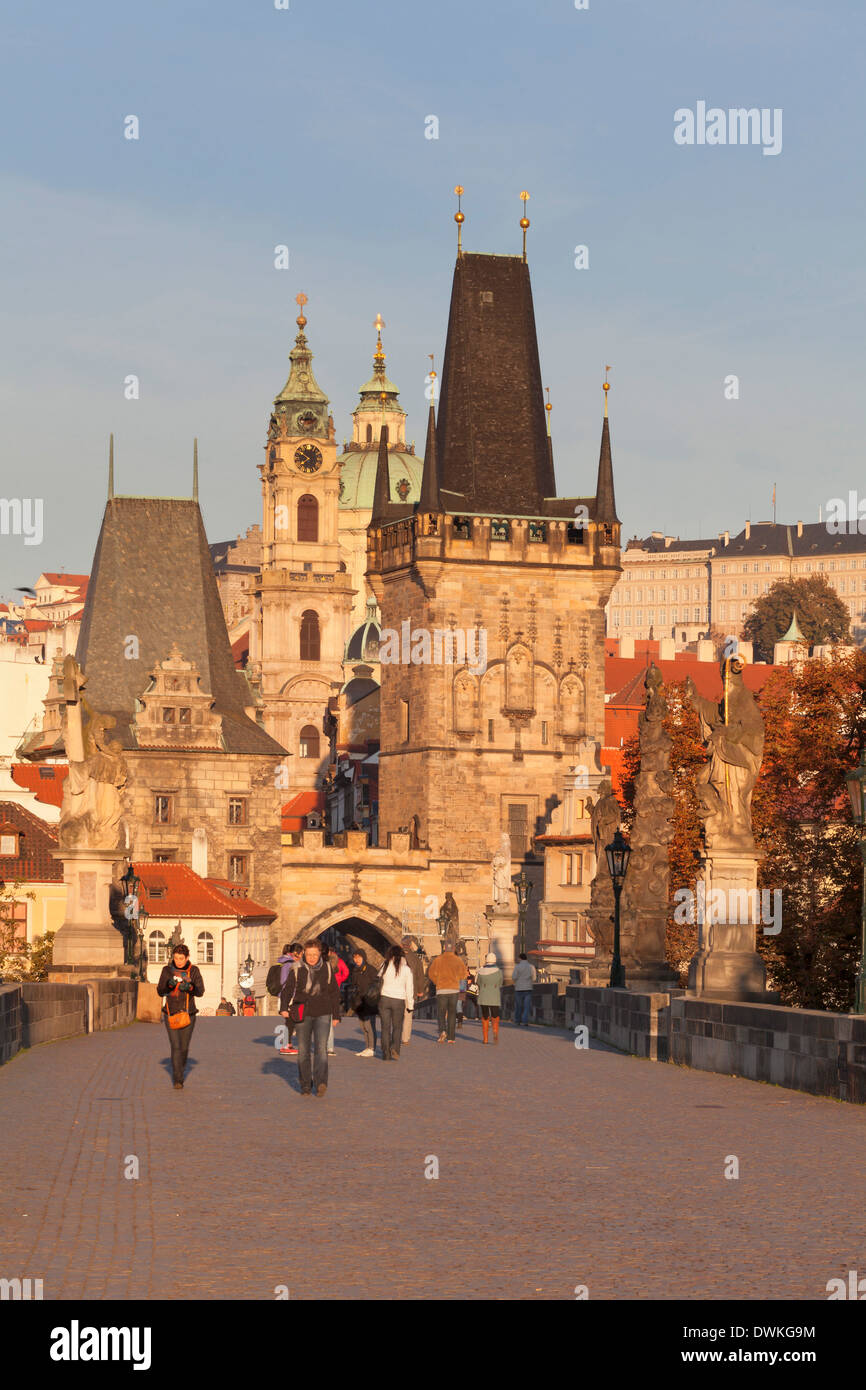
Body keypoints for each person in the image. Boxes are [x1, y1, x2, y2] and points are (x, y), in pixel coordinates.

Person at [279, 940, 341, 1097]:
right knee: (303, 1051)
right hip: (303, 1013)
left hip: (323, 1013)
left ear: (320, 953)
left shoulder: (327, 968)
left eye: (315, 954)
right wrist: (284, 1008)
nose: (312, 957)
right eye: (309, 954)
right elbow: (288, 989)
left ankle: (321, 1082)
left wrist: (336, 1015)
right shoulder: (297, 968)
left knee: (321, 1050)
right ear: (304, 954)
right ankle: (306, 1084)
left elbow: (334, 992)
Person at [156, 943, 205, 1089]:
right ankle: (178, 1079)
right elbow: (160, 991)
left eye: (181, 958)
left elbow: (200, 991)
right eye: (176, 958)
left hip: (188, 1014)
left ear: (187, 957)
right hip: (170, 1013)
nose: (178, 961)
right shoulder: (167, 970)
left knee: (184, 1047)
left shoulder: (194, 971)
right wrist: (169, 985)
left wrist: (190, 987)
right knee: (175, 1046)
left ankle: (180, 1068)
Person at [378, 944, 414, 1061]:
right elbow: (409, 988)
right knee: (397, 1027)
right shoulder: (406, 969)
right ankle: (395, 1049)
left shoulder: (385, 965)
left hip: (384, 999)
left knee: (385, 1028)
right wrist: (410, 1005)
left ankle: (385, 1053)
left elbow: (378, 980)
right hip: (399, 1000)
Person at [427, 942, 466, 1044]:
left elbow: (430, 973)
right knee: (452, 1013)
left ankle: (442, 1031)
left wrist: (437, 981)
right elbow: (463, 974)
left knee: (441, 1013)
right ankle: (451, 1037)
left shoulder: (438, 960)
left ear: (444, 948)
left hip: (441, 990)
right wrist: (457, 980)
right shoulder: (458, 960)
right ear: (453, 949)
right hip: (453, 989)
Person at [347, 947, 379, 1057]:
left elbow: (377, 983)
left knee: (369, 1024)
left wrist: (372, 995)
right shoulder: (355, 970)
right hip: (359, 1001)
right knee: (363, 1026)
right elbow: (354, 985)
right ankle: (367, 1047)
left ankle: (372, 1048)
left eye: (358, 957)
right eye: (355, 958)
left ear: (363, 957)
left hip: (370, 1001)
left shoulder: (371, 969)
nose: (356, 960)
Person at [320, 942, 349, 1056]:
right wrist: (340, 979)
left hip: (327, 992)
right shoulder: (339, 961)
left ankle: (325, 1046)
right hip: (335, 987)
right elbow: (346, 972)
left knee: (324, 1021)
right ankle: (329, 1047)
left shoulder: (322, 964)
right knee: (328, 1021)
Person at [276, 941, 304, 1055]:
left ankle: (288, 1043)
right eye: (301, 953)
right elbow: (284, 981)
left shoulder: (287, 962)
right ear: (296, 953)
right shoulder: (289, 963)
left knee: (290, 1021)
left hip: (288, 996)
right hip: (288, 997)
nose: (302, 956)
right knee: (290, 1021)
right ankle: (286, 1045)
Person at [476, 952, 503, 1044]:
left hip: (483, 996)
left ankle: (485, 1038)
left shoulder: (481, 971)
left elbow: (478, 983)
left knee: (485, 1016)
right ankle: (495, 1032)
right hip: (494, 996)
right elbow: (500, 983)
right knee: (495, 1016)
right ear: (495, 960)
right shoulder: (499, 971)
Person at [512, 952, 536, 1027]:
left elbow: (513, 977)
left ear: (520, 958)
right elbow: (534, 978)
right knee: (526, 1006)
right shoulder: (531, 967)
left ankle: (517, 1020)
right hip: (528, 988)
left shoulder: (517, 967)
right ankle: (525, 1021)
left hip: (518, 988)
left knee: (518, 1006)